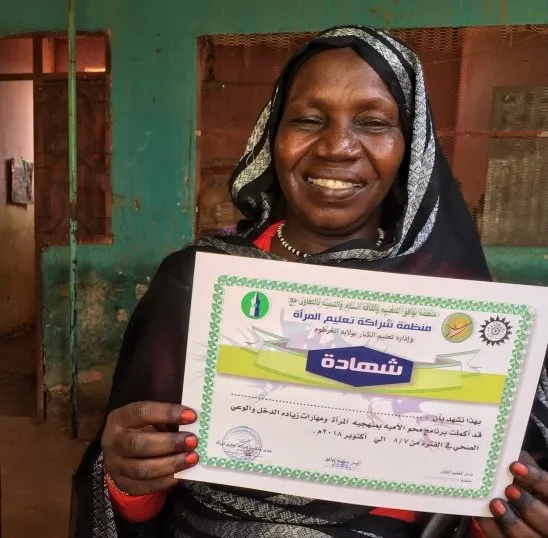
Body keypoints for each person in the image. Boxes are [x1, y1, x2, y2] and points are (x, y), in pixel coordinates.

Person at [72, 25, 548, 538]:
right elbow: (133, 488)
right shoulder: (193, 285)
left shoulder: (463, 311)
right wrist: (128, 480)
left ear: (410, 149)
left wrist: (512, 520)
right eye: (309, 119)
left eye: (373, 122)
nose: (337, 147)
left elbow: (482, 506)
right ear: (272, 137)